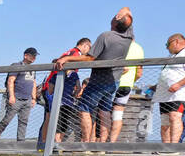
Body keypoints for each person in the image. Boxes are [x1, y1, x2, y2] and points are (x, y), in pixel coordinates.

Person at [62, 8, 135, 143]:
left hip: (99, 80)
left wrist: (67, 59)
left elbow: (90, 58)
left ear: (116, 20)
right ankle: (102, 143)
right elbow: (128, 12)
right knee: (105, 111)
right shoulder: (128, 38)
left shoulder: (106, 36)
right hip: (114, 81)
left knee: (84, 108)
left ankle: (86, 143)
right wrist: (122, 14)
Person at [155, 33, 185, 143]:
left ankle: (173, 146)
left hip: (179, 95)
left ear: (176, 42)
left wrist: (179, 84)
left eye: (167, 45)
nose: (167, 48)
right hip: (164, 96)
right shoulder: (172, 56)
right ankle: (165, 147)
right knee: (165, 122)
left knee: (175, 117)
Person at [0, 48, 39, 142]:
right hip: (16, 98)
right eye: (32, 55)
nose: (34, 58)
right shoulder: (16, 66)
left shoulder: (33, 69)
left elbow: (33, 83)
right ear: (25, 55)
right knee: (7, 120)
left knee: (23, 122)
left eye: (35, 56)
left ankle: (21, 141)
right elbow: (11, 80)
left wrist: (34, 98)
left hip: (28, 99)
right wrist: (11, 96)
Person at [108, 37, 144, 143]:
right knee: (117, 115)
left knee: (102, 111)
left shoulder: (116, 44)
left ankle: (97, 141)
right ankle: (111, 143)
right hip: (126, 85)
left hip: (110, 83)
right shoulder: (138, 48)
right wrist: (131, 81)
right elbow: (139, 73)